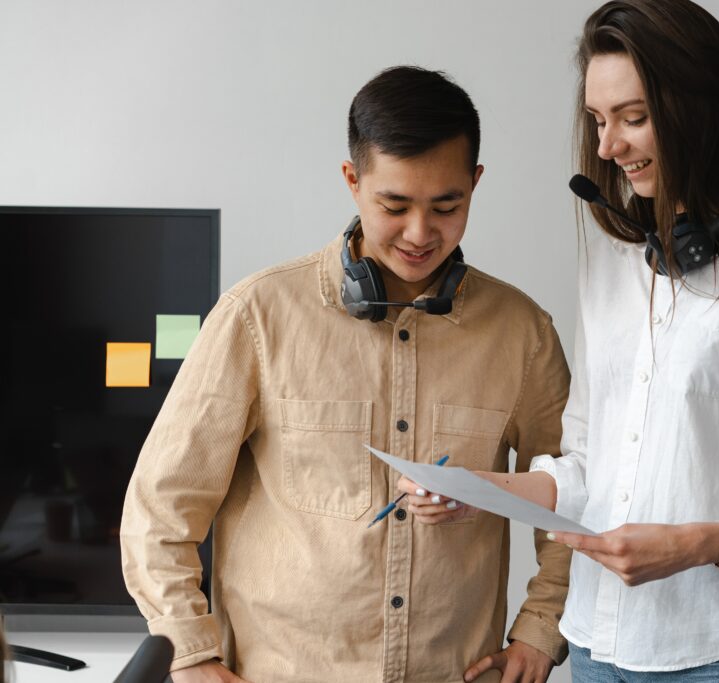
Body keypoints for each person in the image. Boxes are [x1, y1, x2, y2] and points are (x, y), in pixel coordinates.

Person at [400, 2, 719, 681]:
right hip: (595, 645)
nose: (606, 148)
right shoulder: (611, 258)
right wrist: (478, 486)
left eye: (632, 118)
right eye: (599, 122)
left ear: (700, 109)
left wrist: (700, 543)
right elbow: (588, 465)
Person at [120, 66, 572, 683]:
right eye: (395, 205)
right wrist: (191, 655)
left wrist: (541, 630)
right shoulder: (257, 316)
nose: (420, 233)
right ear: (353, 181)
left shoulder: (524, 333)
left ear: (476, 183)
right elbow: (160, 507)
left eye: (447, 206)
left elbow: (578, 496)